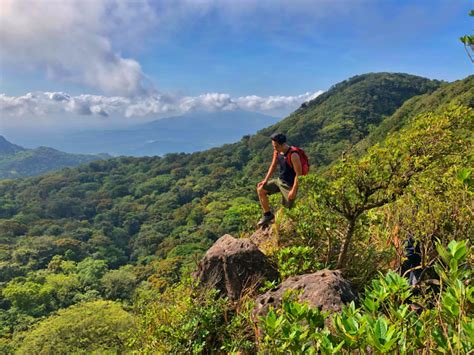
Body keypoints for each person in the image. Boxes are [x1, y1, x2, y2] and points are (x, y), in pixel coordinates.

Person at [256, 133, 302, 226]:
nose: (274, 148)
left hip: (289, 185)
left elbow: (299, 174)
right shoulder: (277, 152)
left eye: (276, 146)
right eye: (273, 146)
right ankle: (268, 215)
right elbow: (273, 166)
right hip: (279, 181)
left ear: (283, 144)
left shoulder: (293, 155)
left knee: (288, 210)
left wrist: (294, 190)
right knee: (261, 189)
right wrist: (266, 180)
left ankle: (294, 227)